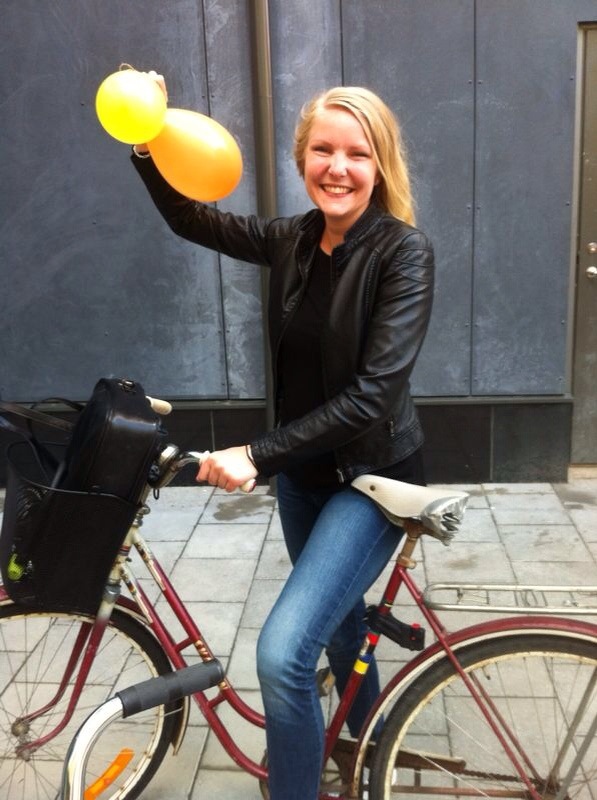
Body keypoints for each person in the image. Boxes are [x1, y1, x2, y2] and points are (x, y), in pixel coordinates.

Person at [131, 82, 434, 800]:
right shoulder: (291, 239)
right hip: (303, 477)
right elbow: (190, 217)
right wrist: (145, 142)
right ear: (302, 159)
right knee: (338, 625)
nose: (338, 167)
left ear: (380, 165)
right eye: (323, 150)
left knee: (282, 656)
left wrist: (254, 454)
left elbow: (372, 397)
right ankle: (364, 743)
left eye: (358, 153)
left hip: (372, 480)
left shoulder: (403, 253)